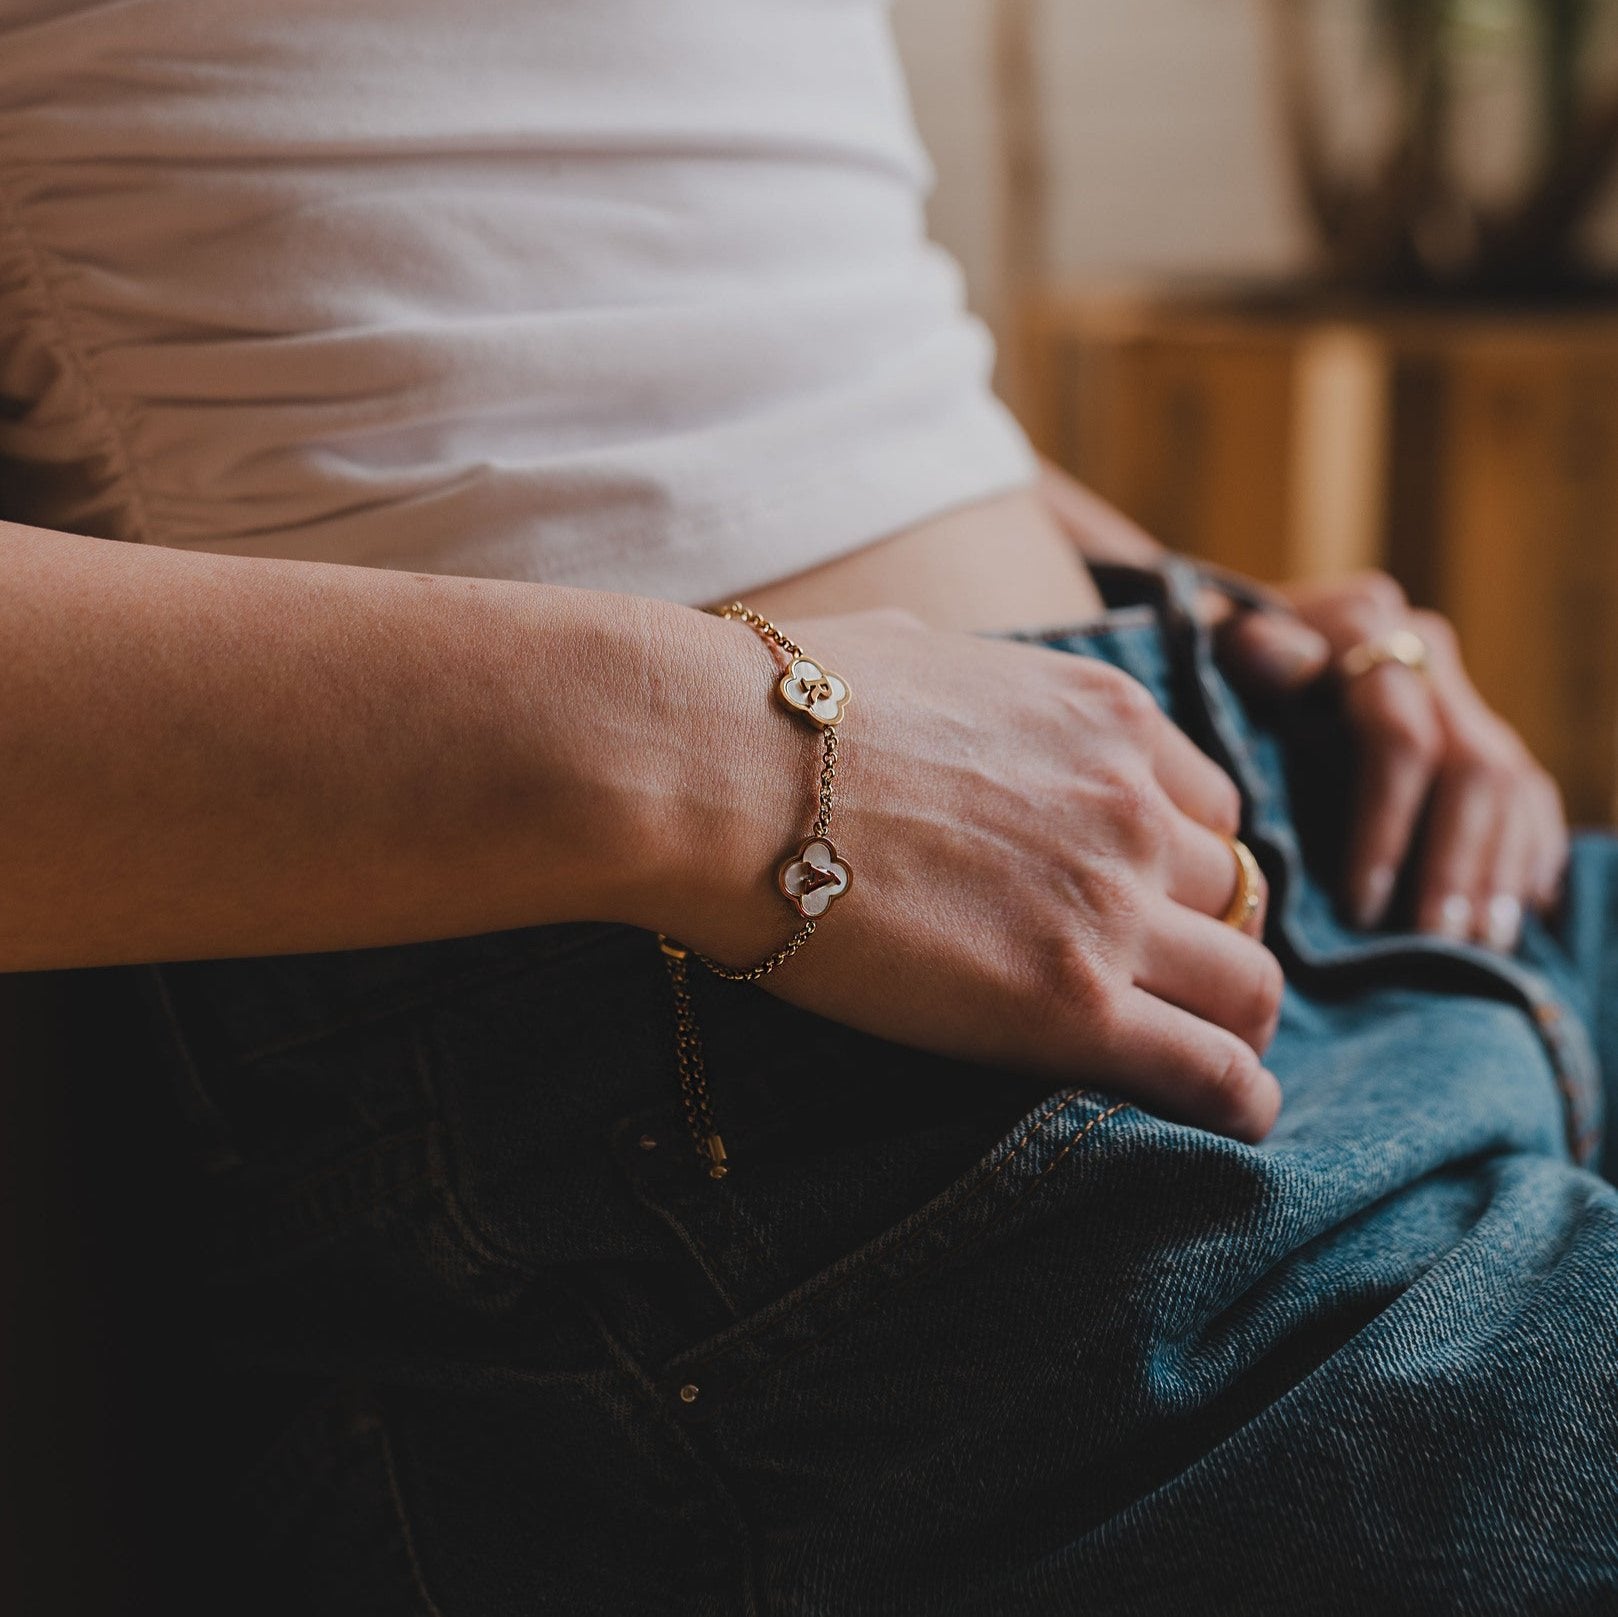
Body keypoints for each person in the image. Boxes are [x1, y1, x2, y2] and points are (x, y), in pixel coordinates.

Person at [1, 2, 1613, 1612]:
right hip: (778, 1076)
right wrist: (752, 757)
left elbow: (704, 298)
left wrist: (1224, 622)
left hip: (1232, 824)